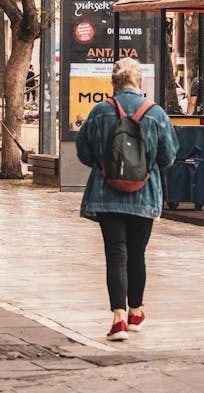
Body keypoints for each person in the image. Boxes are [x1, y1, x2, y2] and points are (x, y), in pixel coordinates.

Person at [76, 58, 178, 342]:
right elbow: (168, 156)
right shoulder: (156, 113)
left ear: (113, 84)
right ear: (139, 83)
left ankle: (118, 318)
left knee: (116, 254)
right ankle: (136, 311)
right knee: (137, 254)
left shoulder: (100, 111)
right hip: (145, 194)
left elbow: (84, 154)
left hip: (106, 194)